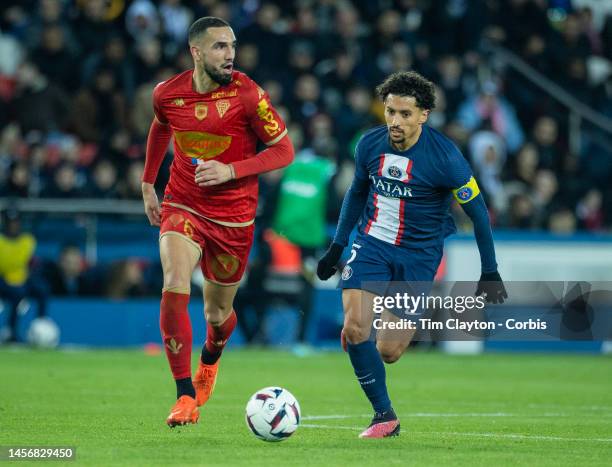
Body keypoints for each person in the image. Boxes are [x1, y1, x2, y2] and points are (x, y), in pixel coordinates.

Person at [316, 71, 506, 438]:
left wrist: (490, 271)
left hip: (418, 255)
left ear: (424, 115)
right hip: (370, 244)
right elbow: (356, 193)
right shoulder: (369, 145)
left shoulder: (446, 157)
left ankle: (364, 340)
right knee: (356, 328)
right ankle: (384, 415)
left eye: (405, 114)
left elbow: (479, 212)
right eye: (390, 112)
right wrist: (337, 246)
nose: (395, 121)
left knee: (389, 350)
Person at [141, 17, 294, 428]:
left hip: (234, 218)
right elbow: (160, 127)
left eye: (232, 46)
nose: (230, 55)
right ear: (196, 52)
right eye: (220, 47)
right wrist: (148, 183)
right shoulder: (168, 94)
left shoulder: (246, 93)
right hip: (183, 204)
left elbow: (284, 151)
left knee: (216, 313)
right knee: (174, 281)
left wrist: (231, 171)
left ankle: (210, 357)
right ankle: (184, 395)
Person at [0, 208, 49, 343]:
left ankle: (41, 325)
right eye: (10, 223)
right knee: (17, 293)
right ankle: (11, 331)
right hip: (3, 280)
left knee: (42, 289)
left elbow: (32, 263)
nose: (13, 226)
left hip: (23, 279)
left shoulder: (28, 241)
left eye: (16, 222)